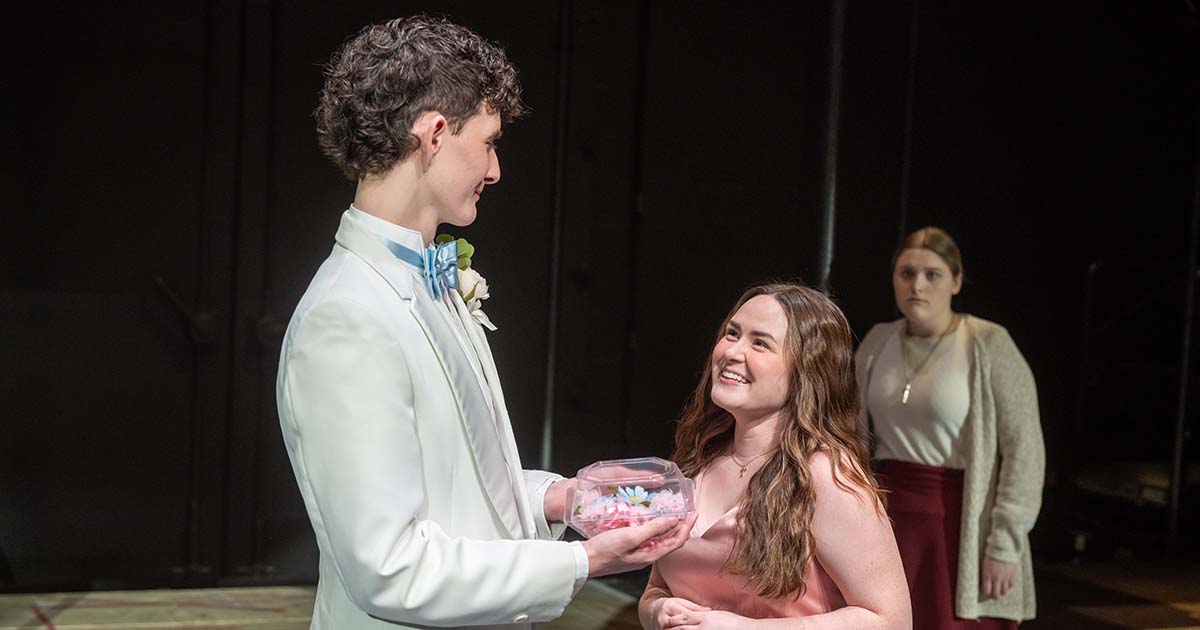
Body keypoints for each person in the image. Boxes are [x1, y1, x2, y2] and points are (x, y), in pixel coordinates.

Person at [276, 16, 694, 630]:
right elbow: (391, 569)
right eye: (490, 141)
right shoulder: (347, 317)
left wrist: (561, 499)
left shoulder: (434, 280)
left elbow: (453, 491)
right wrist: (581, 562)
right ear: (436, 133)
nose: (496, 170)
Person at [638, 283, 912, 630]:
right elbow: (655, 589)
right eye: (732, 333)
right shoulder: (697, 460)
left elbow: (891, 620)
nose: (733, 352)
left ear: (806, 371)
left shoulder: (826, 476)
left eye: (759, 343)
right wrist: (657, 610)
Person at [854, 227, 1044, 628]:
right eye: (906, 273)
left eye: (932, 274)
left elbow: (1024, 449)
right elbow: (849, 431)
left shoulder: (988, 343)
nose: (917, 285)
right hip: (888, 512)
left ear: (956, 281)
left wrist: (1004, 545)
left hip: (957, 517)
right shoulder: (877, 342)